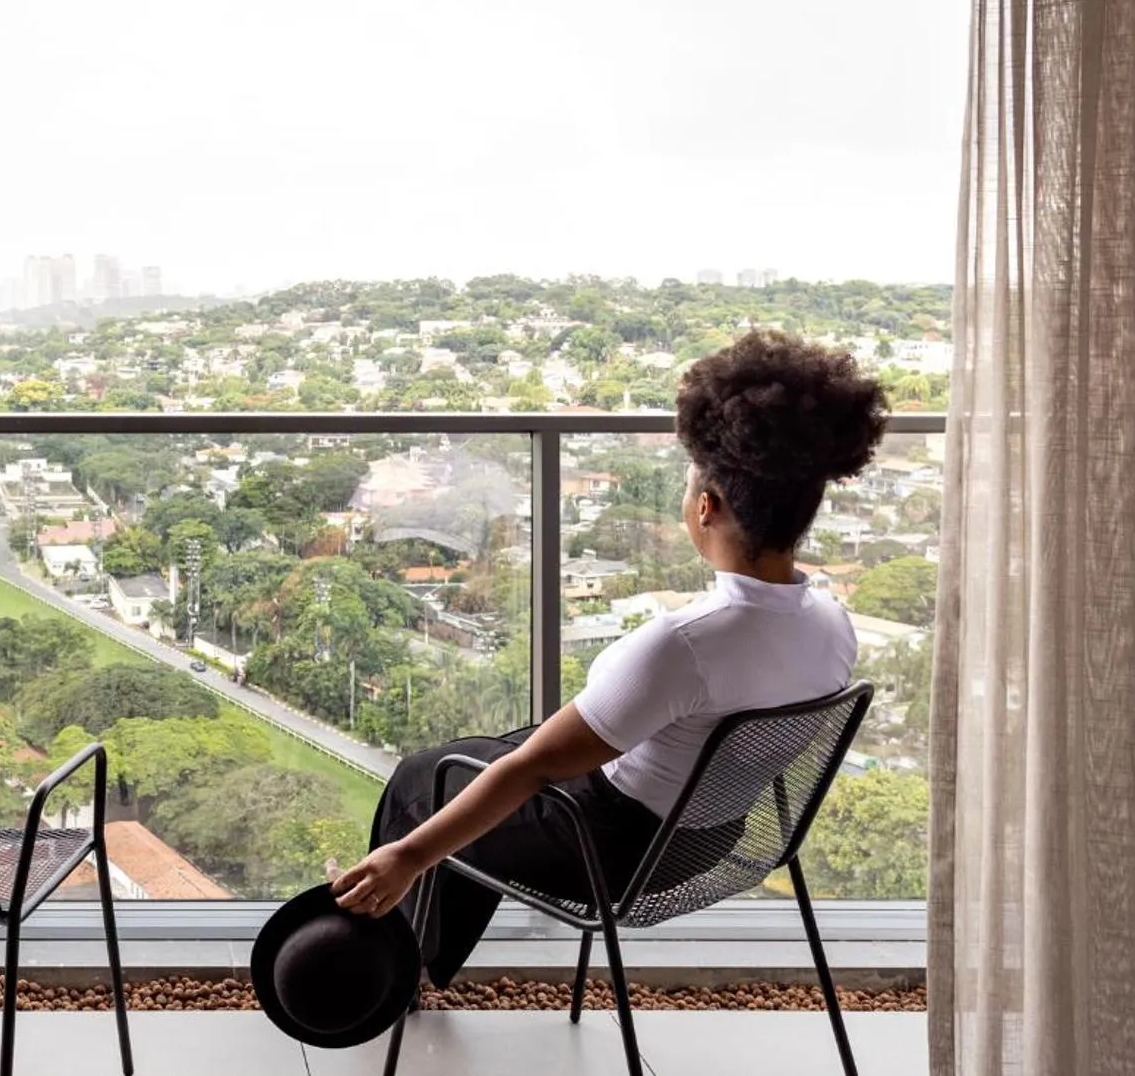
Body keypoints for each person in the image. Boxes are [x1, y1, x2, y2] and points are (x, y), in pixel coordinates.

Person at [330, 331, 886, 987]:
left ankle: (377, 976)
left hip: (614, 852)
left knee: (425, 776)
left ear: (705, 507)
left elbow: (534, 769)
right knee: (482, 758)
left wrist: (406, 854)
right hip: (709, 837)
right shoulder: (831, 623)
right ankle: (422, 964)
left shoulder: (680, 644)